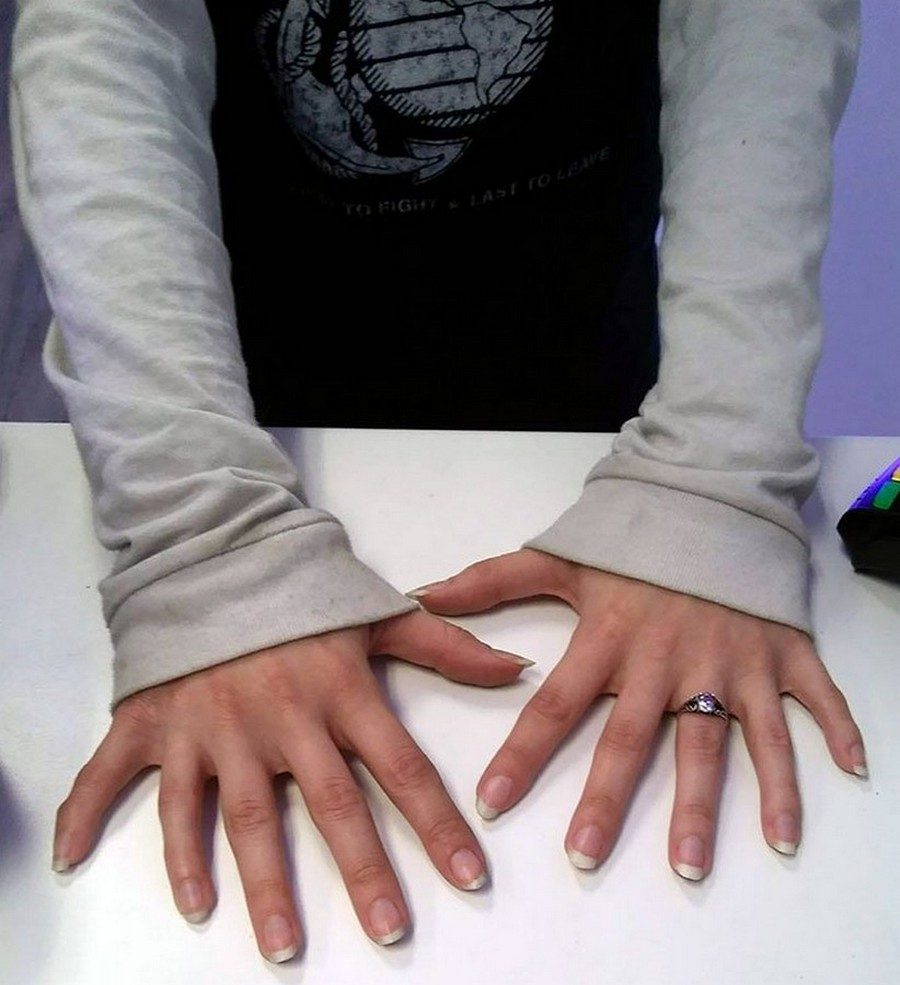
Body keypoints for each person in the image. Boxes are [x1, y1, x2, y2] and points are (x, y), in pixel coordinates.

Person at [10, 0, 868, 966]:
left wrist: (715, 464)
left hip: (587, 355)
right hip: (234, 364)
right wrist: (202, 535)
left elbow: (759, 27)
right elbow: (109, 32)